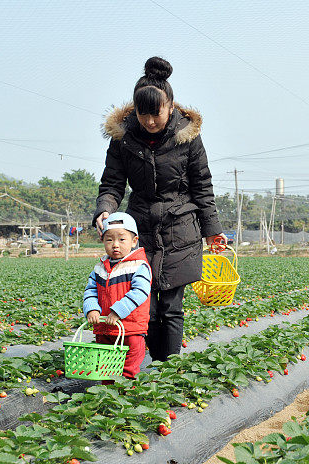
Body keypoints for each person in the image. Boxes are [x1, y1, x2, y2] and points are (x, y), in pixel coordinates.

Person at [93, 56, 226, 361]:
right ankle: (153, 362)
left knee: (170, 305)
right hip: (140, 229)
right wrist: (104, 210)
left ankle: (169, 366)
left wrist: (212, 231)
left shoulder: (188, 137)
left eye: (157, 114)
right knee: (145, 305)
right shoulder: (123, 139)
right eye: (143, 115)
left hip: (180, 227)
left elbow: (202, 186)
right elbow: (112, 184)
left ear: (170, 107)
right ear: (135, 111)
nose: (150, 122)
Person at [83, 213, 152, 381]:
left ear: (134, 241)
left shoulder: (139, 265)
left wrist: (117, 312)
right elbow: (90, 290)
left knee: (128, 368)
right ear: (102, 241)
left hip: (131, 329)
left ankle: (126, 396)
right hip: (105, 327)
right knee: (106, 367)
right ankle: (108, 395)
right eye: (109, 240)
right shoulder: (100, 267)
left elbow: (140, 292)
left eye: (122, 240)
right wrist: (92, 308)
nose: (115, 245)